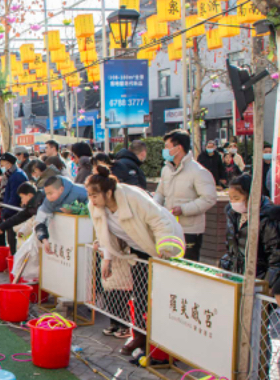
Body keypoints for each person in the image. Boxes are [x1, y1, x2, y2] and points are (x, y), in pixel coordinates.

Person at [86, 167, 185, 354]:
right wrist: (107, 259)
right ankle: (139, 336)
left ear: (108, 192)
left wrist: (164, 249)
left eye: (95, 195)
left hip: (161, 247)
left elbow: (159, 220)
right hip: (138, 250)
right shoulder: (95, 207)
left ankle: (165, 344)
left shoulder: (132, 197)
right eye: (89, 195)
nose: (92, 199)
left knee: (162, 296)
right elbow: (103, 233)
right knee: (140, 295)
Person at [153, 129, 217, 261]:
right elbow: (160, 192)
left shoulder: (198, 171)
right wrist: (154, 206)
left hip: (190, 231)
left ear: (178, 148)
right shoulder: (166, 170)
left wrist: (183, 209)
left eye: (167, 147)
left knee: (187, 267)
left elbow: (209, 199)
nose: (164, 150)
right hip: (169, 228)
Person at [220, 174, 280, 282]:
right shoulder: (233, 214)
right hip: (236, 278)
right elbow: (232, 251)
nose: (233, 202)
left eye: (237, 198)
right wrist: (224, 268)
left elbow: (278, 258)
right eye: (230, 198)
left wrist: (266, 285)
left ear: (251, 196)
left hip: (258, 279)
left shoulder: (268, 219)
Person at [34, 176, 88, 246]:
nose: (48, 197)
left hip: (82, 239)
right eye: (46, 194)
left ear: (61, 189)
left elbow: (91, 210)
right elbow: (39, 220)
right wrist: (43, 239)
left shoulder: (81, 192)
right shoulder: (48, 202)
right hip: (64, 241)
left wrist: (75, 210)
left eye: (50, 193)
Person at [0, 152, 28, 254]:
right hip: (11, 212)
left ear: (9, 164)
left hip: (14, 213)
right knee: (11, 240)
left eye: (2, 164)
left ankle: (14, 263)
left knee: (14, 240)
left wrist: (6, 213)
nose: (1, 167)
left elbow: (14, 198)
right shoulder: (12, 175)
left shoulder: (17, 176)